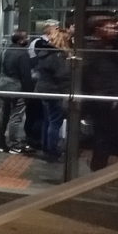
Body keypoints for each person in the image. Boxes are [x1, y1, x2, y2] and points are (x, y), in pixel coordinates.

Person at [83, 16, 118, 171]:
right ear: (99, 30)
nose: (115, 31)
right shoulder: (93, 50)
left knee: (106, 138)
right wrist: (108, 98)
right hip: (103, 102)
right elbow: (94, 78)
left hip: (110, 100)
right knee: (102, 139)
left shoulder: (108, 48)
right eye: (110, 28)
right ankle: (97, 172)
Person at [33, 28, 72, 163]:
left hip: (44, 90)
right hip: (55, 91)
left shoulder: (44, 53)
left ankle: (46, 147)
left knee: (48, 120)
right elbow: (62, 75)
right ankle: (52, 150)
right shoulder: (58, 56)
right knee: (55, 122)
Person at [0, 30, 34, 154]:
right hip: (17, 87)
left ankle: (1, 143)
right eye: (26, 38)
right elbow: (25, 75)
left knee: (4, 114)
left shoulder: (6, 51)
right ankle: (14, 144)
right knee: (16, 116)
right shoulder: (23, 54)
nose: (28, 40)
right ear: (21, 40)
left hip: (4, 85)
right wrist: (28, 93)